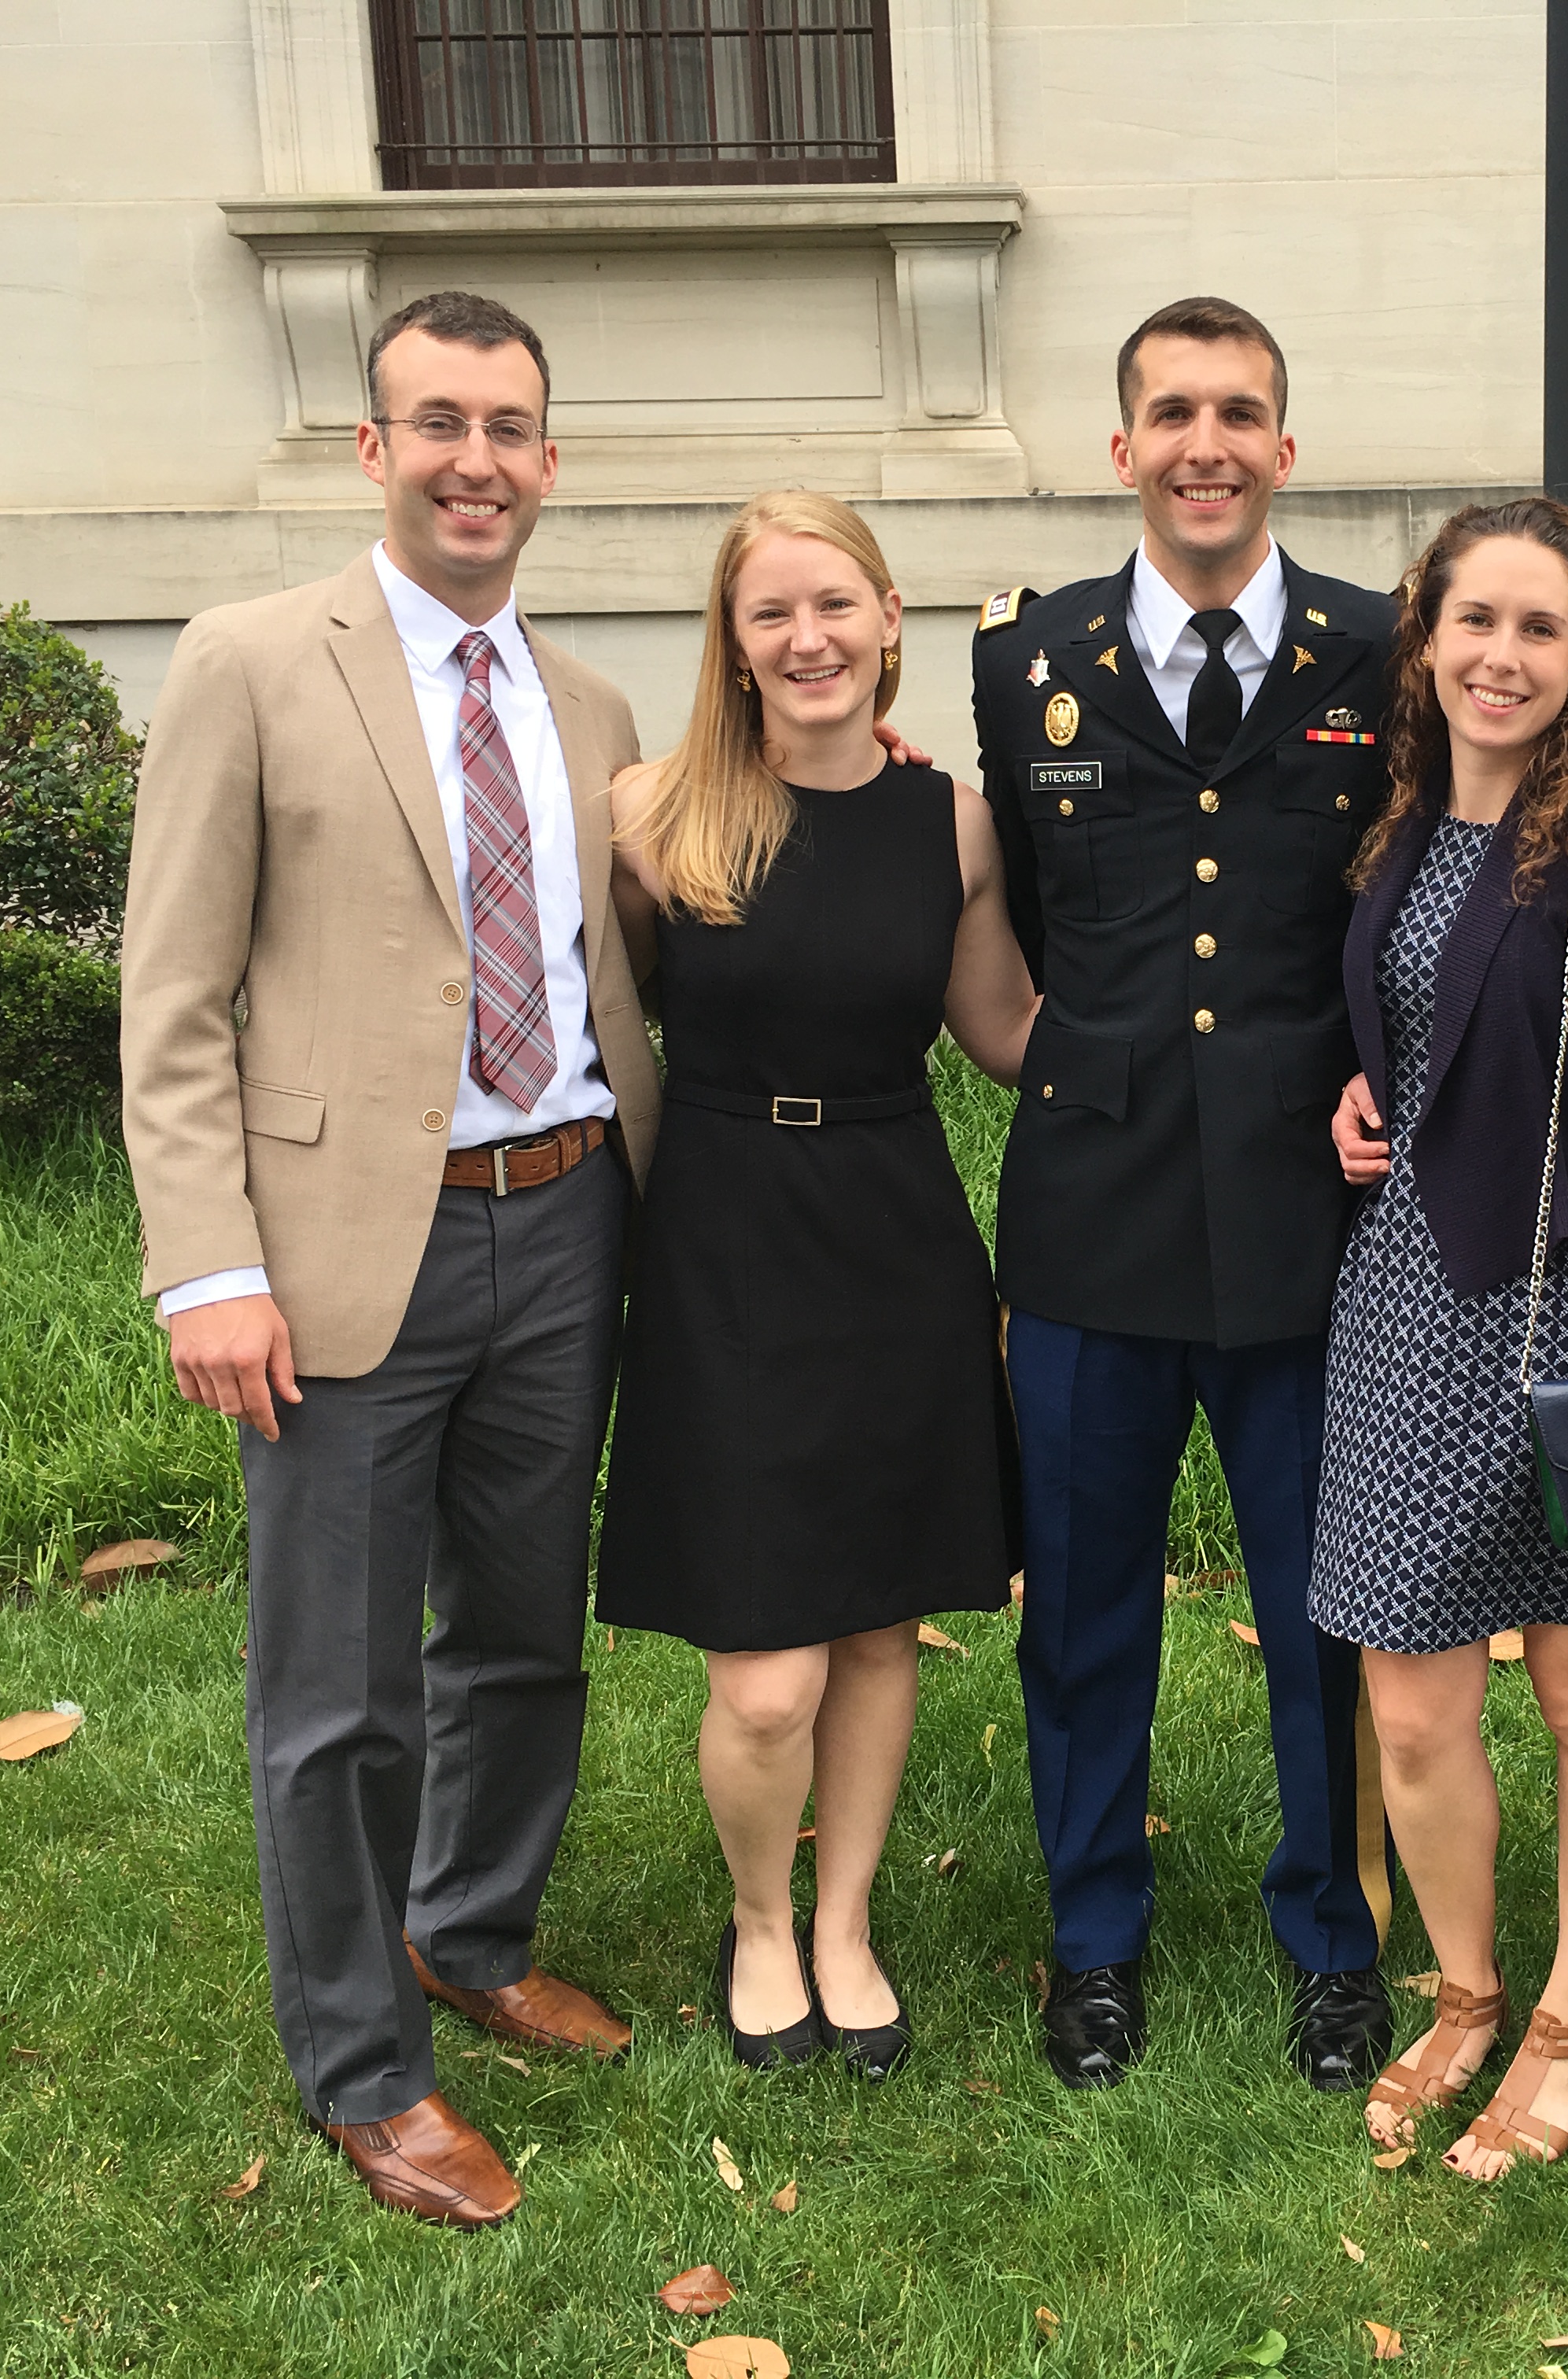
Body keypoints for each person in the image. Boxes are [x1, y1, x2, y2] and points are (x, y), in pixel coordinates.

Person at [120, 291, 651, 2227]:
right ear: (372, 449)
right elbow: (172, 1000)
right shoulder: (250, 663)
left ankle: (472, 1929)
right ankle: (362, 2064)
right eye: (438, 422)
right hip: (351, 1252)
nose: (476, 460)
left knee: (522, 1636)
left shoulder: (590, 710)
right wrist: (207, 1268)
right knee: (338, 1689)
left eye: (510, 426)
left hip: (569, 1217)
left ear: (549, 459)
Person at [974, 297, 1398, 2092]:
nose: (1206, 443)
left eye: (1240, 413)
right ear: (1123, 446)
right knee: (1081, 1606)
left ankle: (1334, 1935)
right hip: (1093, 1210)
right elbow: (991, 888)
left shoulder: (1381, 651)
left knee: (1327, 1606)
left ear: (1285, 450)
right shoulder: (1027, 662)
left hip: (1311, 1216)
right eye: (1173, 413)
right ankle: (1094, 1938)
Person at [592, 492, 1034, 2078]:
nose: (809, 637)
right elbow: (607, 1017)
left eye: (836, 603)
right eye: (773, 611)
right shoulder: (652, 817)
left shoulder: (959, 825)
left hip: (894, 1230)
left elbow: (1004, 1033)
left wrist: (1220, 1047)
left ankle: (844, 1922)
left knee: (874, 1630)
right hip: (720, 1237)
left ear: (892, 618)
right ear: (732, 639)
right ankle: (758, 1919)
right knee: (766, 1674)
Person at [1313, 496, 1568, 2180]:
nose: (1502, 655)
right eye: (1474, 620)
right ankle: (1467, 1992)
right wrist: (1377, 1098)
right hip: (1406, 1295)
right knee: (1408, 1703)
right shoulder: (1407, 823)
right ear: (1426, 640)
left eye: (1540, 629)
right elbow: (1432, 1027)